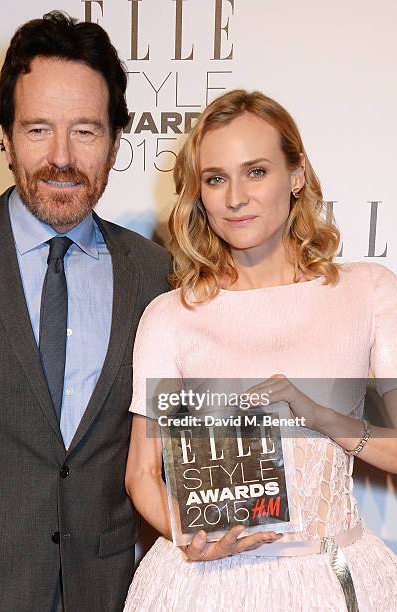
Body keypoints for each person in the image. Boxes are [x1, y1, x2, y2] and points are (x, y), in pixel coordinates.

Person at [0, 11, 170, 612]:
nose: (61, 157)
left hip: (106, 593)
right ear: (4, 136)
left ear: (115, 139)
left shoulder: (157, 274)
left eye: (85, 131)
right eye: (37, 130)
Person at [124, 89, 397, 611]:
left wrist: (319, 415)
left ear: (297, 176)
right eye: (216, 178)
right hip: (204, 588)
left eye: (256, 171)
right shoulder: (171, 315)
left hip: (327, 581)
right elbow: (141, 473)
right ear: (198, 193)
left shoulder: (366, 292)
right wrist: (190, 541)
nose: (235, 198)